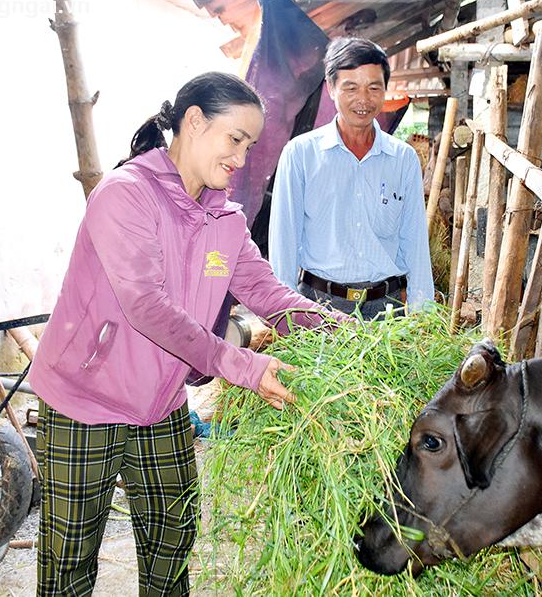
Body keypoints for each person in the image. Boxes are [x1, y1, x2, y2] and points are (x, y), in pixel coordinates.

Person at [29, 72, 338, 596]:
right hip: (86, 403)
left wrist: (348, 333)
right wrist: (243, 366)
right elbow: (148, 306)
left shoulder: (225, 221)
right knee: (70, 556)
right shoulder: (126, 195)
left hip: (162, 403)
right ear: (194, 122)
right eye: (235, 140)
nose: (242, 158)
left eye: (249, 145)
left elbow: (268, 295)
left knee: (173, 541)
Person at [268, 37, 434, 320]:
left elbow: (415, 241)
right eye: (351, 88)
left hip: (387, 311)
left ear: (384, 90)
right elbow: (284, 244)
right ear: (331, 88)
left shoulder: (403, 159)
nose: (363, 100)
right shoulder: (301, 154)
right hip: (319, 307)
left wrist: (423, 316)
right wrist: (286, 318)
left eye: (373, 88)